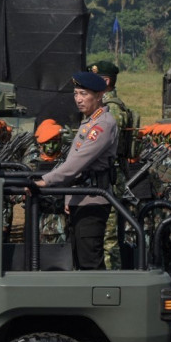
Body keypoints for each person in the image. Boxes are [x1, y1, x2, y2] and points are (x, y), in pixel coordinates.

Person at [34, 72, 119, 270]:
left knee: (90, 262)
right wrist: (69, 198)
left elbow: (77, 164)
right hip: (80, 198)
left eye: (83, 94)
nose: (78, 99)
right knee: (79, 261)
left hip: (92, 200)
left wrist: (46, 181)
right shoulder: (88, 122)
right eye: (76, 94)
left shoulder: (103, 124)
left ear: (98, 96)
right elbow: (73, 162)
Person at [89, 61, 130, 270]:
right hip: (104, 177)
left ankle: (112, 282)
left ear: (105, 81)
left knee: (108, 238)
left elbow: (102, 144)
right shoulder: (104, 107)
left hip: (110, 179)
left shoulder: (111, 109)